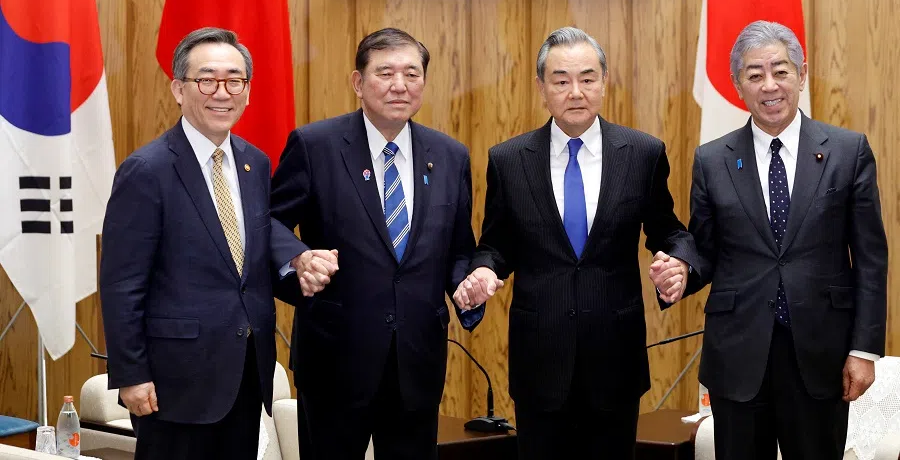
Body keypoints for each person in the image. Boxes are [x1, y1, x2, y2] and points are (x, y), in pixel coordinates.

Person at [650, 20, 888, 459]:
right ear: (738, 84)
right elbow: (706, 250)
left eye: (780, 70)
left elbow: (872, 256)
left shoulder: (847, 151)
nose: (769, 84)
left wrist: (864, 348)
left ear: (802, 75)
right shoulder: (711, 160)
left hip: (821, 355)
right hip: (739, 355)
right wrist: (682, 269)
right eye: (754, 74)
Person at [460, 26, 695, 459]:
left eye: (587, 78)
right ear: (541, 88)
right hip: (540, 357)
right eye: (561, 80)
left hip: (615, 356)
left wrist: (679, 263)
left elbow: (670, 231)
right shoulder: (508, 160)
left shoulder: (643, 152)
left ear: (604, 82)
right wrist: (484, 269)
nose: (576, 92)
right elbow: (496, 244)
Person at [269, 27, 483, 460]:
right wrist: (298, 259)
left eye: (412, 73)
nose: (400, 85)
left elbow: (459, 247)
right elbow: (269, 222)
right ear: (358, 82)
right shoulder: (316, 146)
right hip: (335, 357)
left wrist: (467, 284)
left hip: (417, 361)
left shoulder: (450, 155)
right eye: (385, 72)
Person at [99, 27, 307, 460]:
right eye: (206, 79)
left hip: (245, 373)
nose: (222, 92)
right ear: (178, 88)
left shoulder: (254, 162)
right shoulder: (147, 170)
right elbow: (122, 284)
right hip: (174, 383)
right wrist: (131, 375)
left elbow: (249, 262)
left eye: (235, 80)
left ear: (247, 91)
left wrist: (298, 265)